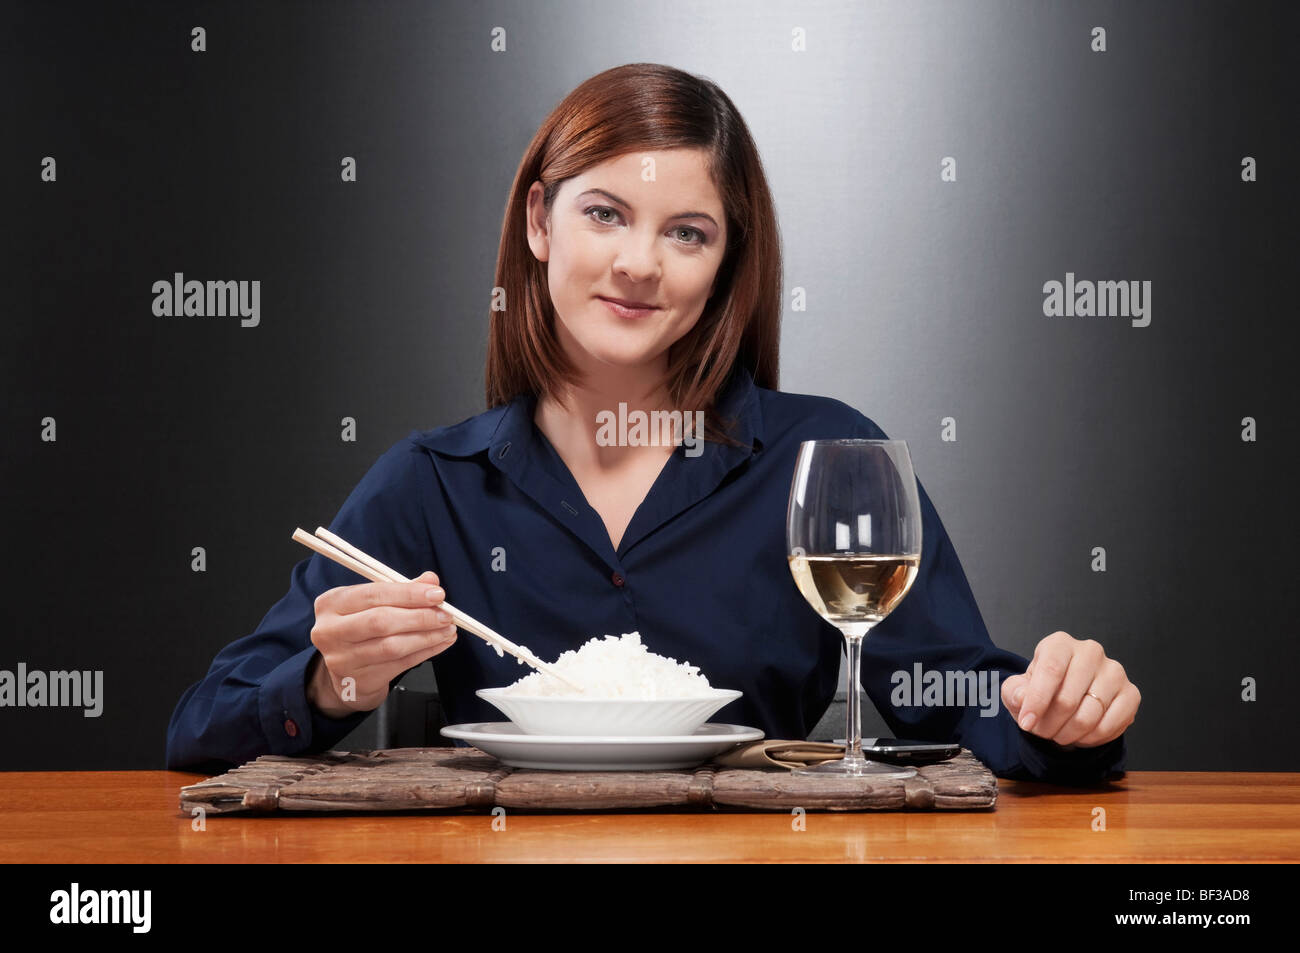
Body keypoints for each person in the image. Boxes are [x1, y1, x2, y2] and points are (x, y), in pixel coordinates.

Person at [166, 63, 1139, 781]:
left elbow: (962, 697)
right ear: (540, 223)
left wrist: (1056, 710)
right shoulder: (431, 483)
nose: (639, 262)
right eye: (604, 215)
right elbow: (200, 726)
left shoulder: (820, 456)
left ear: (725, 262)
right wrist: (334, 682)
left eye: (686, 231)